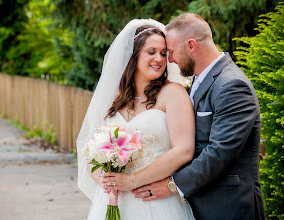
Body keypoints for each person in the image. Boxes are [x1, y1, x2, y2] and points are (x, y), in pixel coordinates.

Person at [103, 13, 265, 220]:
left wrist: (173, 185)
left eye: (169, 52)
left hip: (227, 205)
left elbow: (219, 152)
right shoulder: (198, 82)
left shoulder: (232, 85)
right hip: (197, 200)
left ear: (190, 46)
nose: (168, 60)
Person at [77, 19, 195, 219]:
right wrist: (106, 181)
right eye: (151, 52)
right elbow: (90, 153)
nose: (159, 58)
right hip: (113, 202)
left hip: (156, 202)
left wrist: (131, 181)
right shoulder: (114, 98)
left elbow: (183, 151)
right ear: (132, 56)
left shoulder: (173, 93)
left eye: (163, 53)